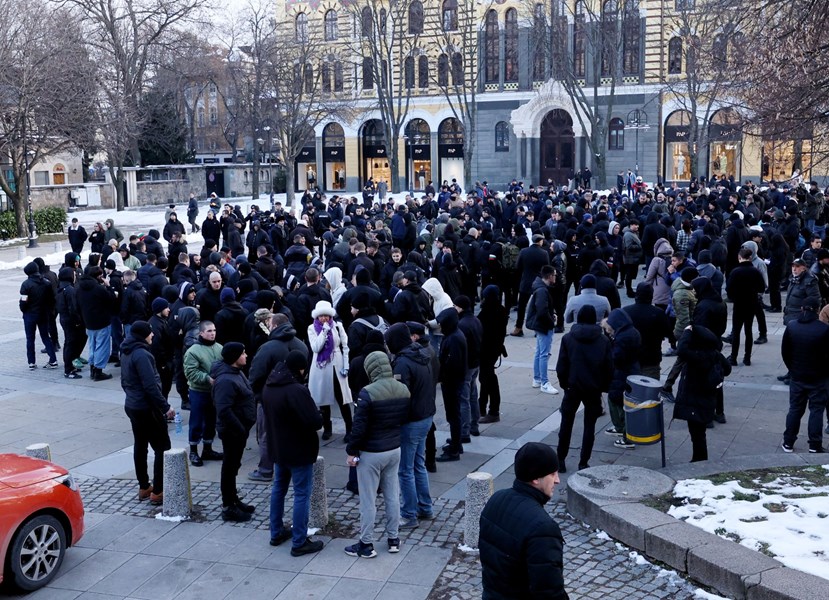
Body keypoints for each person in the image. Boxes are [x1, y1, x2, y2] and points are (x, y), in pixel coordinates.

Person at [479, 442, 569, 600]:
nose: (557, 480)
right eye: (552, 474)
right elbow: (548, 591)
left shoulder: (496, 499)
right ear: (535, 478)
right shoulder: (543, 528)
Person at [344, 351, 411, 559]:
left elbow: (359, 427)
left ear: (370, 369)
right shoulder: (403, 389)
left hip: (371, 452)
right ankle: (393, 539)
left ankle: (366, 544)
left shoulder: (367, 393)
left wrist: (351, 451)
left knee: (368, 500)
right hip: (394, 448)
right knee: (392, 496)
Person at [263, 350, 325, 556]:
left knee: (278, 489)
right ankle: (299, 542)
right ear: (300, 369)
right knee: (301, 494)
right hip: (299, 450)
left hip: (278, 448)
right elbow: (314, 421)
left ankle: (276, 532)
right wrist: (320, 415)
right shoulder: (296, 390)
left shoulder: (269, 386)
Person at [384, 323, 436, 528]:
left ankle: (409, 514)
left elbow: (400, 395)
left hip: (412, 421)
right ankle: (425, 507)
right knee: (418, 465)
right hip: (426, 416)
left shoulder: (402, 363)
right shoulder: (422, 354)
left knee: (405, 470)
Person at [247, 312, 309, 482]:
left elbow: (255, 374)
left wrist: (257, 394)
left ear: (274, 326)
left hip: (269, 398)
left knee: (266, 435)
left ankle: (265, 469)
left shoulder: (268, 347)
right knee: (291, 433)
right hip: (294, 397)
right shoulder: (301, 345)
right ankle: (290, 466)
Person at [120, 321, 175, 505]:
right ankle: (158, 491)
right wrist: (165, 407)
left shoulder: (126, 351)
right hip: (146, 407)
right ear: (143, 335)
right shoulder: (142, 354)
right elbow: (150, 386)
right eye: (150, 333)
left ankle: (144, 486)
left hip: (133, 405)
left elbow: (124, 381)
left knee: (141, 444)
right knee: (162, 447)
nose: (153, 335)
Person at [556, 305, 612, 472]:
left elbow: (561, 366)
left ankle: (561, 459)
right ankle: (583, 462)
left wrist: (564, 384)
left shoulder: (568, 338)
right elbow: (609, 368)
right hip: (593, 388)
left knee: (566, 424)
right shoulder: (603, 340)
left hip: (573, 387)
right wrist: (603, 386)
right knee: (590, 426)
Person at [211, 342, 257, 522]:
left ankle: (233, 499)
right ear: (234, 357)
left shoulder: (236, 373)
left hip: (239, 429)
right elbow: (224, 410)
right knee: (229, 468)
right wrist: (240, 429)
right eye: (243, 353)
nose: (246, 356)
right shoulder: (225, 380)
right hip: (233, 431)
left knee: (233, 466)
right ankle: (228, 506)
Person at [672, 325, 732, 462]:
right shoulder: (714, 354)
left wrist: (687, 332)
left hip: (694, 401)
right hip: (707, 400)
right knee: (699, 434)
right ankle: (699, 458)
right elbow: (727, 369)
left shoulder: (697, 356)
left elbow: (681, 349)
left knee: (697, 435)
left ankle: (699, 461)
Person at [781, 297, 829, 453]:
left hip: (798, 376)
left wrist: (793, 369)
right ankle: (814, 445)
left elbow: (785, 352)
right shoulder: (824, 329)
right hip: (818, 378)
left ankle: (788, 442)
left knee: (795, 409)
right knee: (816, 410)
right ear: (818, 309)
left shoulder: (792, 326)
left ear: (802, 309)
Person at [183, 321, 225, 467]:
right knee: (196, 422)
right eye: (209, 331)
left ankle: (208, 449)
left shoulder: (219, 348)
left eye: (214, 330)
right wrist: (207, 379)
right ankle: (193, 451)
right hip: (198, 392)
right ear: (201, 333)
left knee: (211, 421)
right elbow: (190, 372)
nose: (213, 333)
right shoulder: (193, 351)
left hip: (214, 392)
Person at [604, 308, 641, 448]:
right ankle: (621, 428)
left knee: (619, 402)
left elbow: (616, 357)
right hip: (630, 371)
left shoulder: (622, 337)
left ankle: (627, 436)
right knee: (619, 401)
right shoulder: (632, 332)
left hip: (622, 374)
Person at [435, 307, 468, 462]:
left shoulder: (453, 338)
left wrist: (442, 375)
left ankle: (455, 449)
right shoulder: (454, 335)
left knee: (453, 415)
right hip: (453, 381)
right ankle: (456, 442)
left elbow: (452, 364)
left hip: (452, 383)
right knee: (454, 415)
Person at [725, 247, 766, 366]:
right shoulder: (755, 271)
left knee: (736, 331)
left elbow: (728, 289)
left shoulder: (735, 271)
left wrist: (734, 296)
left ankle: (733, 357)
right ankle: (747, 357)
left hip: (739, 304)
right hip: (751, 303)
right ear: (750, 257)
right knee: (749, 331)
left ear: (739, 257)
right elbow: (762, 287)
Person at [76, 266, 115, 381]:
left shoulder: (79, 288)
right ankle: (98, 371)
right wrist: (109, 286)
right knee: (102, 346)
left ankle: (93, 368)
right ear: (98, 276)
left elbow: (77, 305)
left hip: (88, 322)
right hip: (102, 321)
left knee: (92, 345)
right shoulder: (99, 289)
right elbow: (111, 298)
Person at [526, 265, 559, 394]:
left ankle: (537, 379)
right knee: (544, 354)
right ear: (550, 276)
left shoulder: (539, 288)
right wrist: (552, 322)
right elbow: (542, 311)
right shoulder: (542, 291)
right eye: (554, 275)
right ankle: (544, 382)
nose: (556, 277)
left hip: (540, 324)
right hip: (544, 325)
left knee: (540, 353)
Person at [477, 285, 508, 423]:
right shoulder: (499, 310)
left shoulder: (489, 312)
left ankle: (493, 411)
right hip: (492, 350)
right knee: (486, 378)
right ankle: (482, 406)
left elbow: (486, 333)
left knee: (488, 379)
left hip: (487, 351)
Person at [20, 262, 58, 371]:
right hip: (43, 313)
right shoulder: (46, 283)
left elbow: (23, 301)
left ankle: (31, 362)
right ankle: (53, 360)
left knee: (30, 338)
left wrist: (24, 310)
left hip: (30, 315)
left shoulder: (26, 284)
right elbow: (51, 299)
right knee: (45, 336)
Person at [511, 234, 550, 337]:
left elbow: (518, 266)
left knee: (522, 306)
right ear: (540, 241)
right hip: (539, 282)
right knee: (539, 305)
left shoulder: (524, 251)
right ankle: (538, 328)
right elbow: (546, 268)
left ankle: (518, 327)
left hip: (526, 281)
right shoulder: (544, 253)